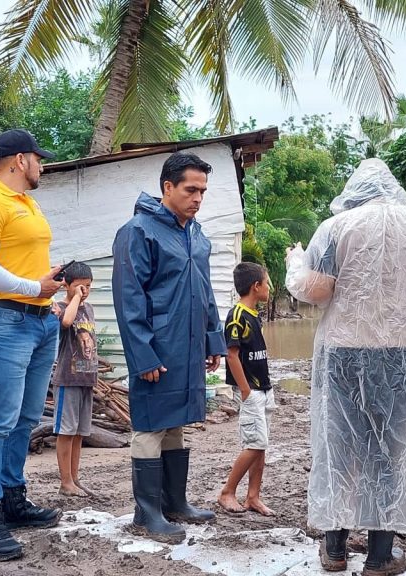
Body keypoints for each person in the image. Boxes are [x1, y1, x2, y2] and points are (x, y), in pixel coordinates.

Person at [285, 158, 406, 575]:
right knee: (389, 452)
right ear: (395, 188)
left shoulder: (336, 228)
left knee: (342, 448)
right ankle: (379, 556)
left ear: (353, 192)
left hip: (346, 354)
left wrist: (295, 265)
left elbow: (315, 290)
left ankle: (334, 551)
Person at [112, 151, 227, 544]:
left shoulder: (196, 233)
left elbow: (206, 292)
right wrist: (143, 354)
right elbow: (129, 299)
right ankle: (147, 513)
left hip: (189, 345)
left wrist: (214, 341)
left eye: (203, 191)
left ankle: (174, 503)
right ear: (167, 187)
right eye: (190, 190)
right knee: (149, 424)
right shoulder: (138, 231)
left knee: (175, 420)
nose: (198, 198)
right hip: (158, 346)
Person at [0, 129, 64, 561]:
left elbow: (19, 260)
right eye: (38, 159)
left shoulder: (28, 203)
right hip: (4, 321)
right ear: (20, 161)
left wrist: (51, 281)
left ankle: (12, 499)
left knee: (24, 418)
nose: (42, 166)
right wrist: (32, 286)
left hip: (41, 322)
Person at [217, 262, 276, 517]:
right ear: (256, 286)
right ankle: (227, 492)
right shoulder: (237, 315)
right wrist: (245, 391)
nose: (269, 288)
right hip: (251, 391)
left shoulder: (254, 315)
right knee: (254, 444)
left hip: (264, 388)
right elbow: (231, 354)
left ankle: (253, 497)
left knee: (260, 446)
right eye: (267, 283)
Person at [51, 262, 98, 498]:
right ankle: (65, 481)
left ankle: (75, 477)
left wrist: (81, 301)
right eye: (80, 287)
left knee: (80, 432)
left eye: (88, 287)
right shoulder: (60, 307)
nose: (85, 291)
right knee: (66, 431)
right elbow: (67, 323)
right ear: (66, 286)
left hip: (86, 378)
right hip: (67, 379)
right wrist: (76, 299)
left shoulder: (89, 309)